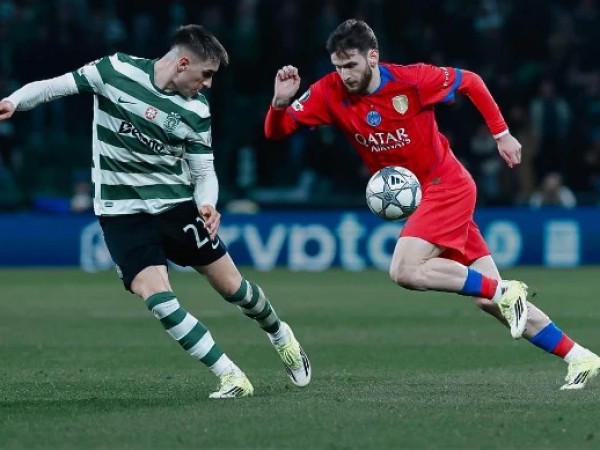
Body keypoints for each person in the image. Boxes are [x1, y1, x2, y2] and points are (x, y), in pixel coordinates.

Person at [264, 19, 600, 390]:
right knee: (488, 300)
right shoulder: (329, 91)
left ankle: (505, 291)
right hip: (424, 197)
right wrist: (279, 104)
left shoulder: (412, 80)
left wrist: (502, 135)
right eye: (338, 66)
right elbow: (276, 132)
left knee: (405, 270)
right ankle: (579, 356)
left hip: (447, 185)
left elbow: (470, 81)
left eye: (351, 65)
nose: (345, 74)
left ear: (373, 57)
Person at [0, 24, 311, 399]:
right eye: (206, 74)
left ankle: (280, 334)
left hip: (176, 208)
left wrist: (207, 203)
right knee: (156, 296)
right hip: (121, 214)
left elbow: (203, 171)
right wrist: (14, 101)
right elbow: (53, 87)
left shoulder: (196, 109)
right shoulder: (114, 71)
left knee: (234, 288)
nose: (208, 84)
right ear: (183, 63)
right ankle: (230, 375)